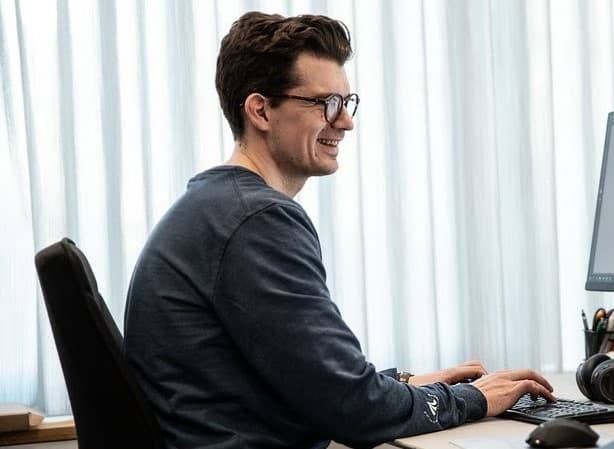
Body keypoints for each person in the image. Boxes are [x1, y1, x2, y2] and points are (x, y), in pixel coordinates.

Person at [123, 11, 555, 449]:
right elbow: (355, 410)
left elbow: (309, 387)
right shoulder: (257, 220)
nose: (345, 121)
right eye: (326, 103)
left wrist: (405, 385)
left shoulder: (215, 208)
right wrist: (471, 399)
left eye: (347, 103)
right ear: (261, 110)